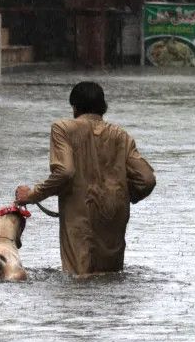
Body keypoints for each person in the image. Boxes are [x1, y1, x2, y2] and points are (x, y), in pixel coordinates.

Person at [14, 82, 156, 276]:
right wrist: (125, 194)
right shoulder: (121, 135)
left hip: (79, 213)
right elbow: (147, 180)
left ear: (74, 107)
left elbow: (65, 171)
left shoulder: (62, 128)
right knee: (110, 278)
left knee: (79, 277)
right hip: (115, 213)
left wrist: (32, 195)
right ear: (103, 107)